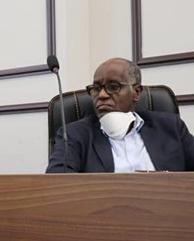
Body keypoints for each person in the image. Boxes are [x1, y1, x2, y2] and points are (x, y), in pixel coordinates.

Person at [46, 57, 194, 173]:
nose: (102, 95)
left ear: (136, 92)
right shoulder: (74, 134)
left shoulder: (171, 126)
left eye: (113, 87)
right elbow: (58, 182)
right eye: (96, 88)